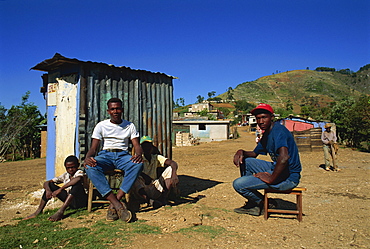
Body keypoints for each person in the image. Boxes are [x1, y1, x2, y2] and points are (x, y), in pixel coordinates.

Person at [232, 103, 302, 216]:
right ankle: (254, 203)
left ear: (272, 117)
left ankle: (264, 203)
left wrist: (271, 178)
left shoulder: (279, 131)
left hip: (289, 177)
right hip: (278, 168)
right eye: (258, 118)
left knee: (238, 184)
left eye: (264, 117)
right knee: (246, 161)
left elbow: (284, 158)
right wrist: (241, 152)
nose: (260, 121)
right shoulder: (267, 134)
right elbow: (254, 154)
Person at [84, 98, 143, 222]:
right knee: (89, 167)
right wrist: (87, 158)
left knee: (138, 165)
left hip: (123, 156)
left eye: (118, 108)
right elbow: (93, 148)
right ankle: (118, 205)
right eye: (112, 109)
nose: (115, 111)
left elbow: (136, 145)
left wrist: (138, 154)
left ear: (122, 110)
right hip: (105, 155)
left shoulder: (130, 125)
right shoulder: (101, 125)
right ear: (108, 111)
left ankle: (113, 204)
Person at [23, 155, 87, 221]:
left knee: (76, 185)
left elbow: (78, 179)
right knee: (50, 185)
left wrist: (60, 189)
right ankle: (38, 211)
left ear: (78, 165)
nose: (70, 169)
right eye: (68, 168)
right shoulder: (66, 175)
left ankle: (61, 211)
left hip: (81, 201)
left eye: (73, 167)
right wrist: (48, 190)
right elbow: (47, 182)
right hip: (71, 202)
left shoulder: (79, 172)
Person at [129, 136, 179, 210]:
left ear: (152, 147)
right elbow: (132, 171)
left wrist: (174, 175)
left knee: (170, 169)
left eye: (149, 145)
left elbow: (172, 163)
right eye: (144, 146)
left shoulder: (156, 157)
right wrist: (143, 176)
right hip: (142, 189)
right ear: (141, 148)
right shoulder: (138, 159)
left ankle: (163, 199)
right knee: (134, 179)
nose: (147, 148)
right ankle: (150, 201)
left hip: (155, 187)